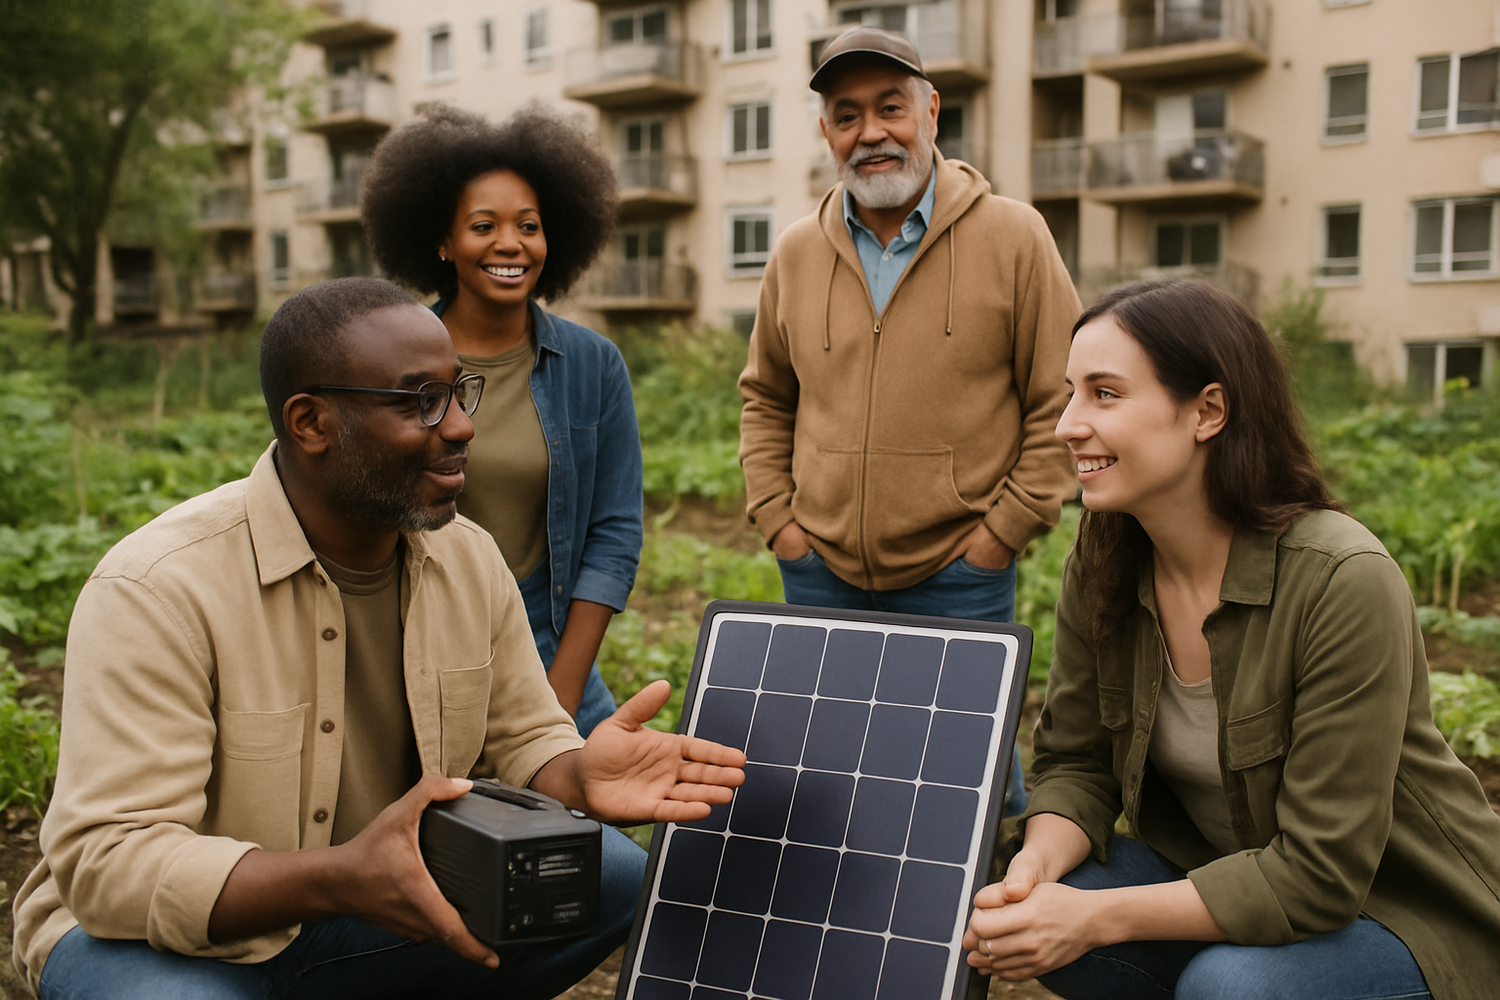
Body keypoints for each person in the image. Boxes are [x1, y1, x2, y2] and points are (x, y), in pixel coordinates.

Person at [11, 278, 746, 1000]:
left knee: (610, 877)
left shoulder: (468, 557)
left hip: (373, 906)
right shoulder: (159, 588)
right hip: (155, 944)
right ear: (311, 423)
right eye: (421, 402)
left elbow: (523, 738)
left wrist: (579, 774)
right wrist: (336, 879)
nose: (460, 425)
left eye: (461, 392)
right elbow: (108, 866)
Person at [963, 280, 1500, 1000]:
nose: (1066, 424)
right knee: (1034, 907)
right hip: (1225, 875)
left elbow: (1318, 874)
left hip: (1404, 913)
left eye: (1105, 394)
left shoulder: (1342, 579)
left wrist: (1094, 919)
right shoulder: (1104, 563)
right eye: (1070, 393)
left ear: (1207, 412)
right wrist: (1032, 877)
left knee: (1231, 986)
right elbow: (1077, 763)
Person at [737, 26, 1079, 814]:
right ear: (828, 132)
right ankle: (857, 928)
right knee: (834, 774)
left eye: (890, 107)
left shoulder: (1015, 236)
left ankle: (997, 921)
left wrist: (1000, 536)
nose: (872, 133)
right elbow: (766, 397)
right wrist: (779, 521)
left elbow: (1060, 397)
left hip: (957, 574)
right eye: (848, 115)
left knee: (969, 779)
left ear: (930, 110)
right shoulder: (794, 252)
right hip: (816, 568)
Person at [360, 104, 639, 737]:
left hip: (545, 640)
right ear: (442, 242)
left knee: (604, 835)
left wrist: (558, 695)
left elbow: (614, 533)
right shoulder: (390, 362)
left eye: (529, 226)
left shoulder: (593, 365)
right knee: (452, 831)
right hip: (417, 640)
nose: (510, 243)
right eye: (483, 225)